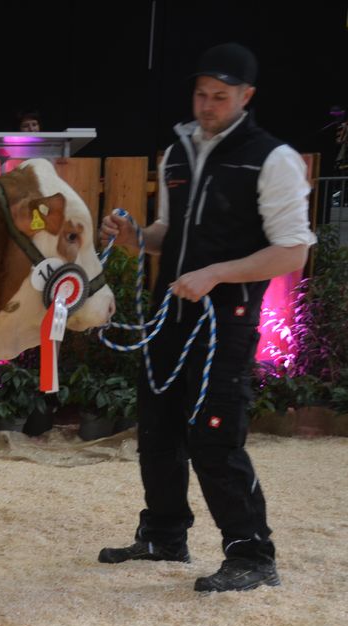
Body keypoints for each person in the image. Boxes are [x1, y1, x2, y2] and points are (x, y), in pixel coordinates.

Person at [98, 42, 316, 592]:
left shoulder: (273, 159)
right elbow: (169, 235)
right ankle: (163, 535)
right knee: (157, 431)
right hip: (170, 312)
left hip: (226, 320)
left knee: (214, 435)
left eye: (220, 96)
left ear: (246, 96)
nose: (207, 104)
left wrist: (217, 273)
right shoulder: (177, 153)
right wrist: (135, 237)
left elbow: (293, 251)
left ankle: (251, 553)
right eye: (201, 93)